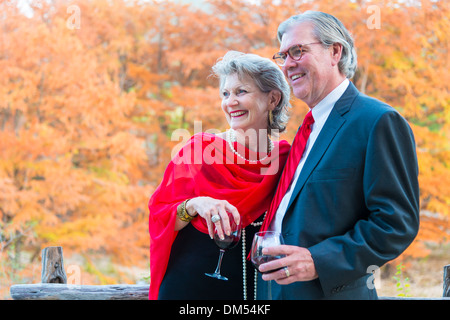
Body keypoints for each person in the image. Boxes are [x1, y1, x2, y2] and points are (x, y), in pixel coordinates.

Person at [257, 11, 420, 299]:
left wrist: (318, 261)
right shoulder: (308, 128)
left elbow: (396, 224)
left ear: (334, 51)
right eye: (283, 56)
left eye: (297, 51)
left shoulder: (377, 120)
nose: (288, 64)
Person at [148, 51, 291, 300]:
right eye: (225, 94)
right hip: (190, 289)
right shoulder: (198, 150)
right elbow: (159, 216)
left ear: (273, 99)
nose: (230, 102)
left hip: (258, 292)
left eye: (241, 92)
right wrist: (194, 204)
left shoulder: (288, 159)